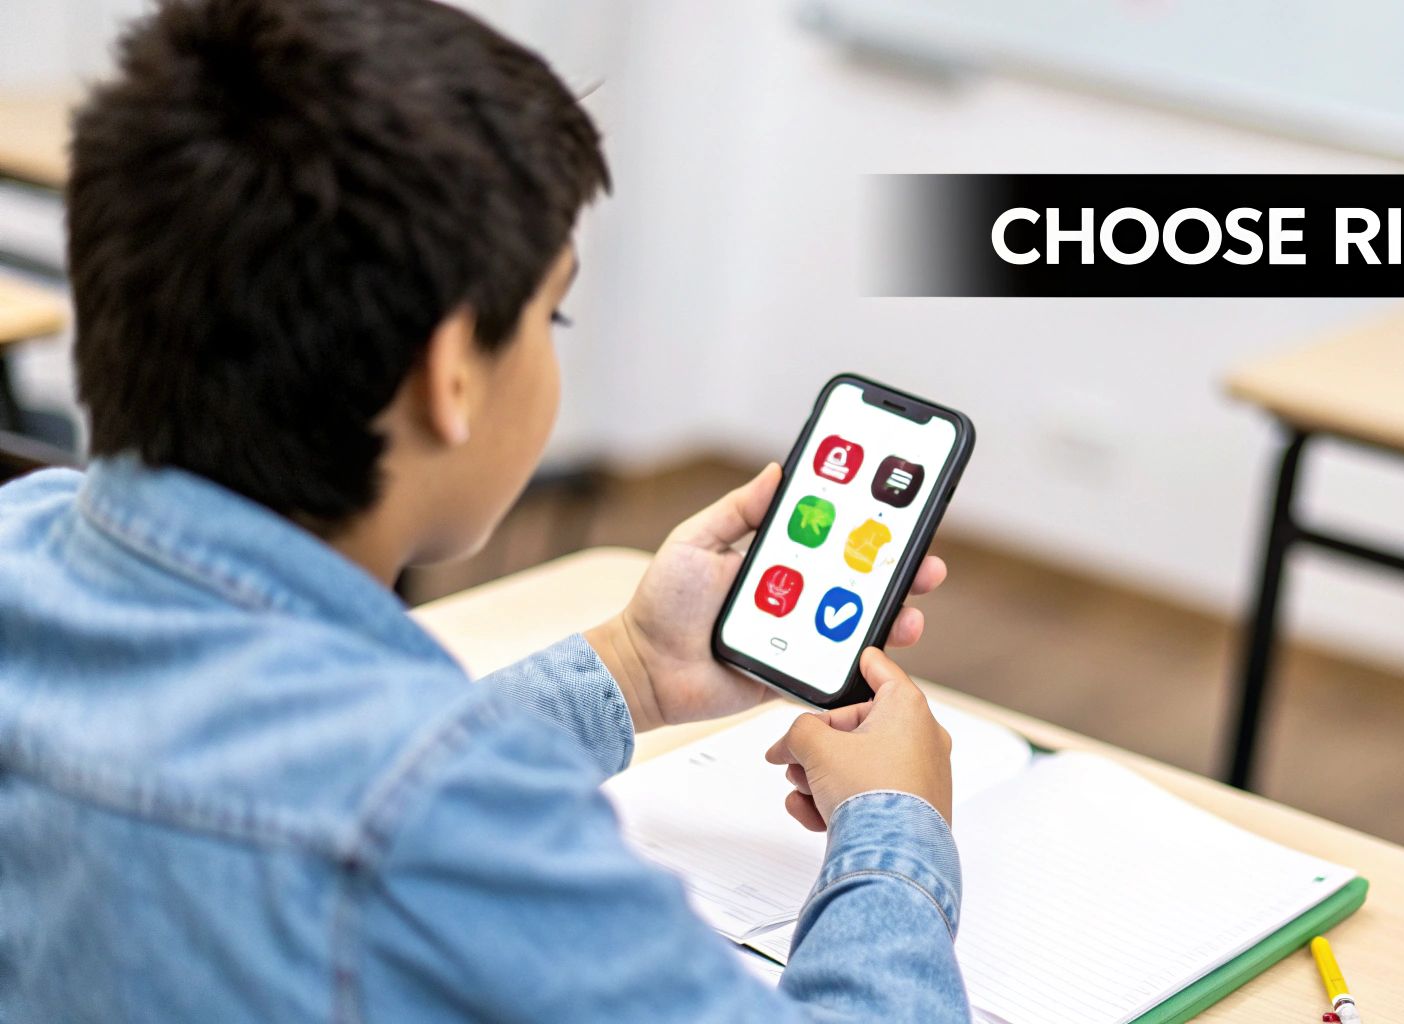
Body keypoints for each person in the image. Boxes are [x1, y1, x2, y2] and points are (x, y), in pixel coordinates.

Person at [0, 0, 968, 1020]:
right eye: (551, 311)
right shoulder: (442, 825)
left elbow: (294, 759)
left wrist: (635, 665)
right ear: (451, 373)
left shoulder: (27, 541)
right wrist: (894, 828)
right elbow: (387, 806)